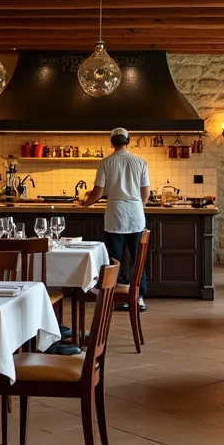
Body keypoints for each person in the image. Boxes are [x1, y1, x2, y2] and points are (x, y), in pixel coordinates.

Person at [81, 127, 149, 309]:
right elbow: (145, 193)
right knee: (137, 258)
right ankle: (139, 298)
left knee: (114, 260)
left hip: (115, 216)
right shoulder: (140, 162)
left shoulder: (106, 162)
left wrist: (85, 204)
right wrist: (138, 206)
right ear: (128, 141)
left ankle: (112, 297)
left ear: (112, 143)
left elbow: (97, 193)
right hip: (135, 215)